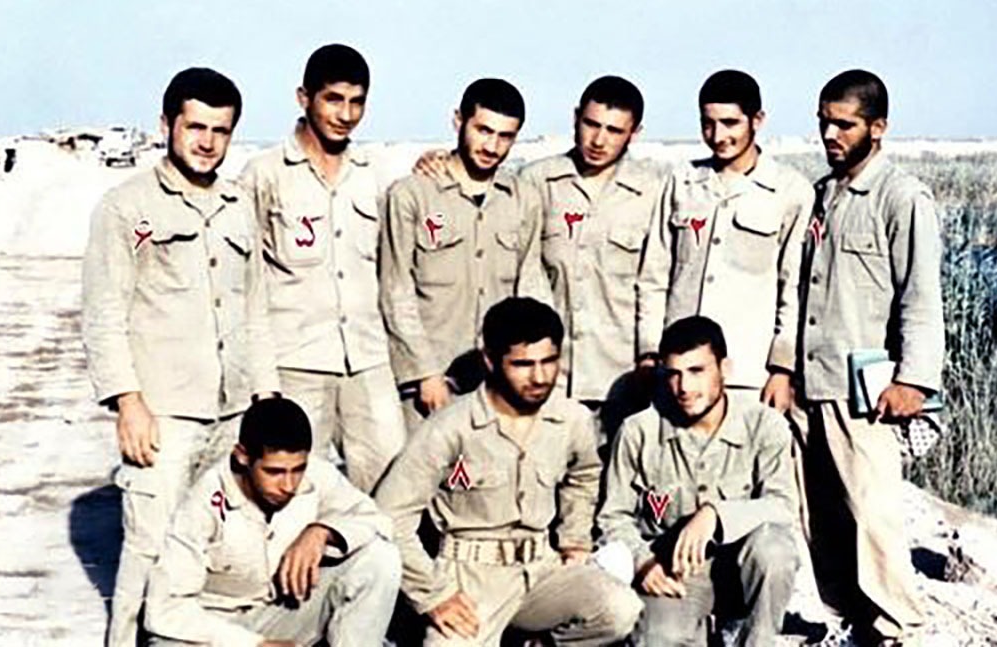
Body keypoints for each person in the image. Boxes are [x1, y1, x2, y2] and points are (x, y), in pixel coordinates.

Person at [81, 67, 280, 647]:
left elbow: (256, 309)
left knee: (213, 551)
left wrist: (265, 396)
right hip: (164, 412)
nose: (207, 142)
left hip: (232, 411)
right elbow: (104, 314)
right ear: (166, 124)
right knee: (150, 549)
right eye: (195, 127)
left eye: (221, 130)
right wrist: (128, 403)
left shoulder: (239, 206)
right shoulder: (126, 207)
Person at [374, 297, 641, 646]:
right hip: (470, 579)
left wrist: (574, 540)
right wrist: (432, 596)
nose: (540, 377)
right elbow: (390, 515)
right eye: (523, 364)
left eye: (549, 361)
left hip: (542, 570)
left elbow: (584, 475)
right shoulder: (450, 428)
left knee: (618, 609)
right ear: (490, 360)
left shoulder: (571, 419)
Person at [795, 69, 944, 646]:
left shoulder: (902, 197)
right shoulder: (822, 194)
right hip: (814, 380)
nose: (830, 135)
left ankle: (899, 627)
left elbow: (921, 298)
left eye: (845, 124)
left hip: (867, 392)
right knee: (824, 516)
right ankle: (854, 623)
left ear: (877, 128)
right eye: (824, 122)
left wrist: (913, 382)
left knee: (873, 516)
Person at [238, 44, 404, 494]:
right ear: (304, 98)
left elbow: (391, 270)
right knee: (291, 490)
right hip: (295, 362)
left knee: (391, 484)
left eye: (357, 102)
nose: (346, 115)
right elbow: (245, 285)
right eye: (333, 99)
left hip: (367, 360)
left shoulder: (375, 174)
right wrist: (261, 379)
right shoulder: (264, 175)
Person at [598, 316, 799, 646]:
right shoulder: (639, 431)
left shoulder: (765, 425)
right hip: (677, 573)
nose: (684, 388)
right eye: (674, 374)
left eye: (697, 371)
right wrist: (641, 561)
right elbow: (613, 517)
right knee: (657, 638)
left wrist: (715, 514)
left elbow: (783, 507)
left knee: (774, 550)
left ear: (724, 369)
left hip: (742, 569)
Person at [144, 397, 401, 647]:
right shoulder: (205, 502)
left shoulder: (316, 474)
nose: (288, 485)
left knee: (379, 557)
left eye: (297, 470)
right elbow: (164, 609)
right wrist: (253, 644)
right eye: (274, 472)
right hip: (216, 632)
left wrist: (322, 532)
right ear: (243, 456)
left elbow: (378, 521)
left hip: (279, 616)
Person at [638, 69, 813, 410]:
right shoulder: (681, 182)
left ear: (757, 120)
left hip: (748, 375)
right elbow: (654, 276)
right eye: (708, 124)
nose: (718, 136)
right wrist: (649, 352)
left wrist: (781, 368)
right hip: (677, 374)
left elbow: (793, 287)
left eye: (730, 123)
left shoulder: (790, 191)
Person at [517, 75, 668, 443]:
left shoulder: (652, 191)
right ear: (575, 118)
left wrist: (649, 356)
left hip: (618, 378)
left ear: (634, 133)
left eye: (614, 130)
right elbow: (524, 272)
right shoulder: (537, 182)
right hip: (548, 376)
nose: (599, 141)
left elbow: (653, 282)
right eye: (591, 124)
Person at [380, 78, 531, 427]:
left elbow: (529, 282)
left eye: (505, 136)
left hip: (498, 379)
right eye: (483, 130)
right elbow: (395, 290)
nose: (492, 146)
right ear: (458, 121)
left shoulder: (523, 198)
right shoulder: (411, 195)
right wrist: (424, 372)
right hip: (431, 381)